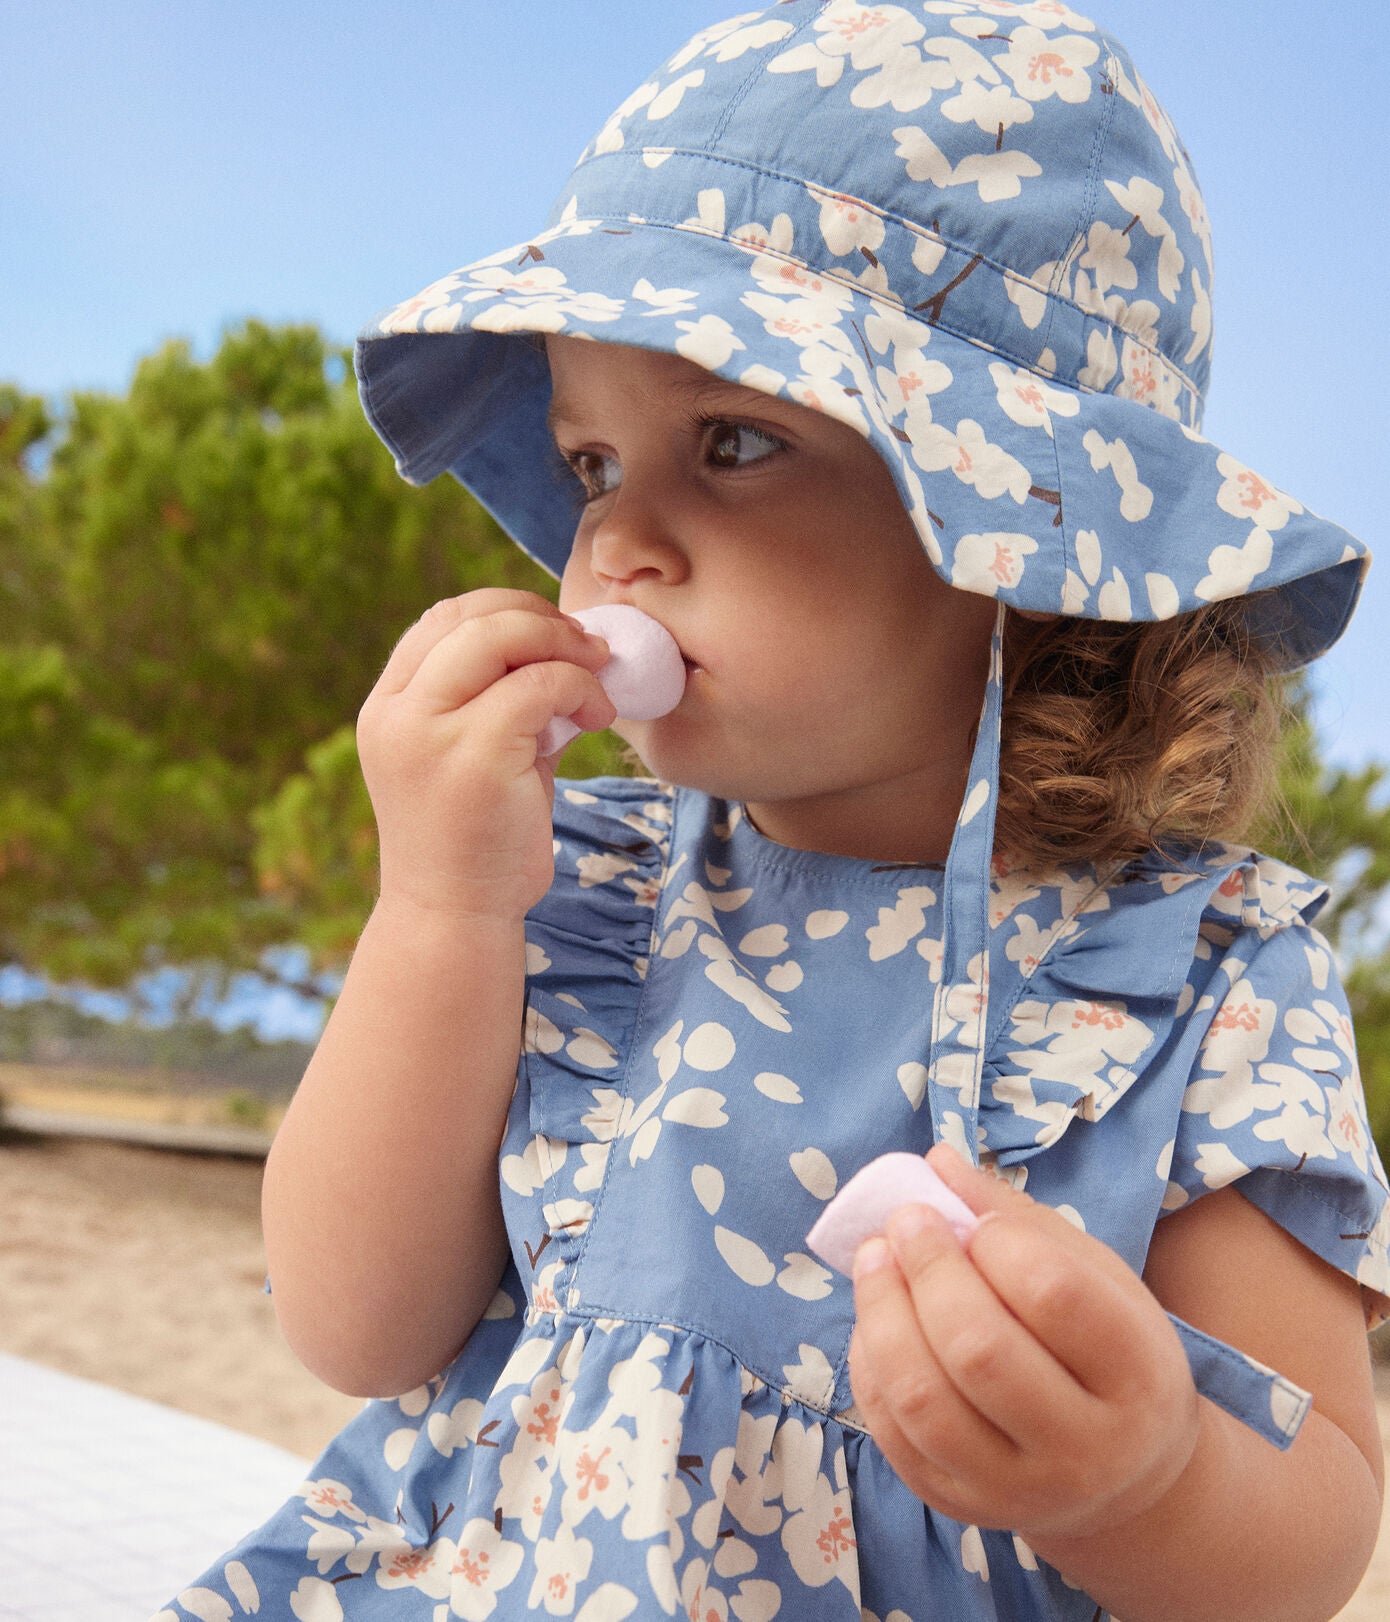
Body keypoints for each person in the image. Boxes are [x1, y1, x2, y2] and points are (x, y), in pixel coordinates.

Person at [155, 4, 1388, 1619]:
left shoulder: (1187, 979)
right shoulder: (577, 887)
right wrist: (436, 912)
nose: (616, 547)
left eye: (733, 443)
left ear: (1018, 540)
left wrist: (1143, 1475)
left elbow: (1314, 1529)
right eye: (592, 463)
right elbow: (356, 1325)